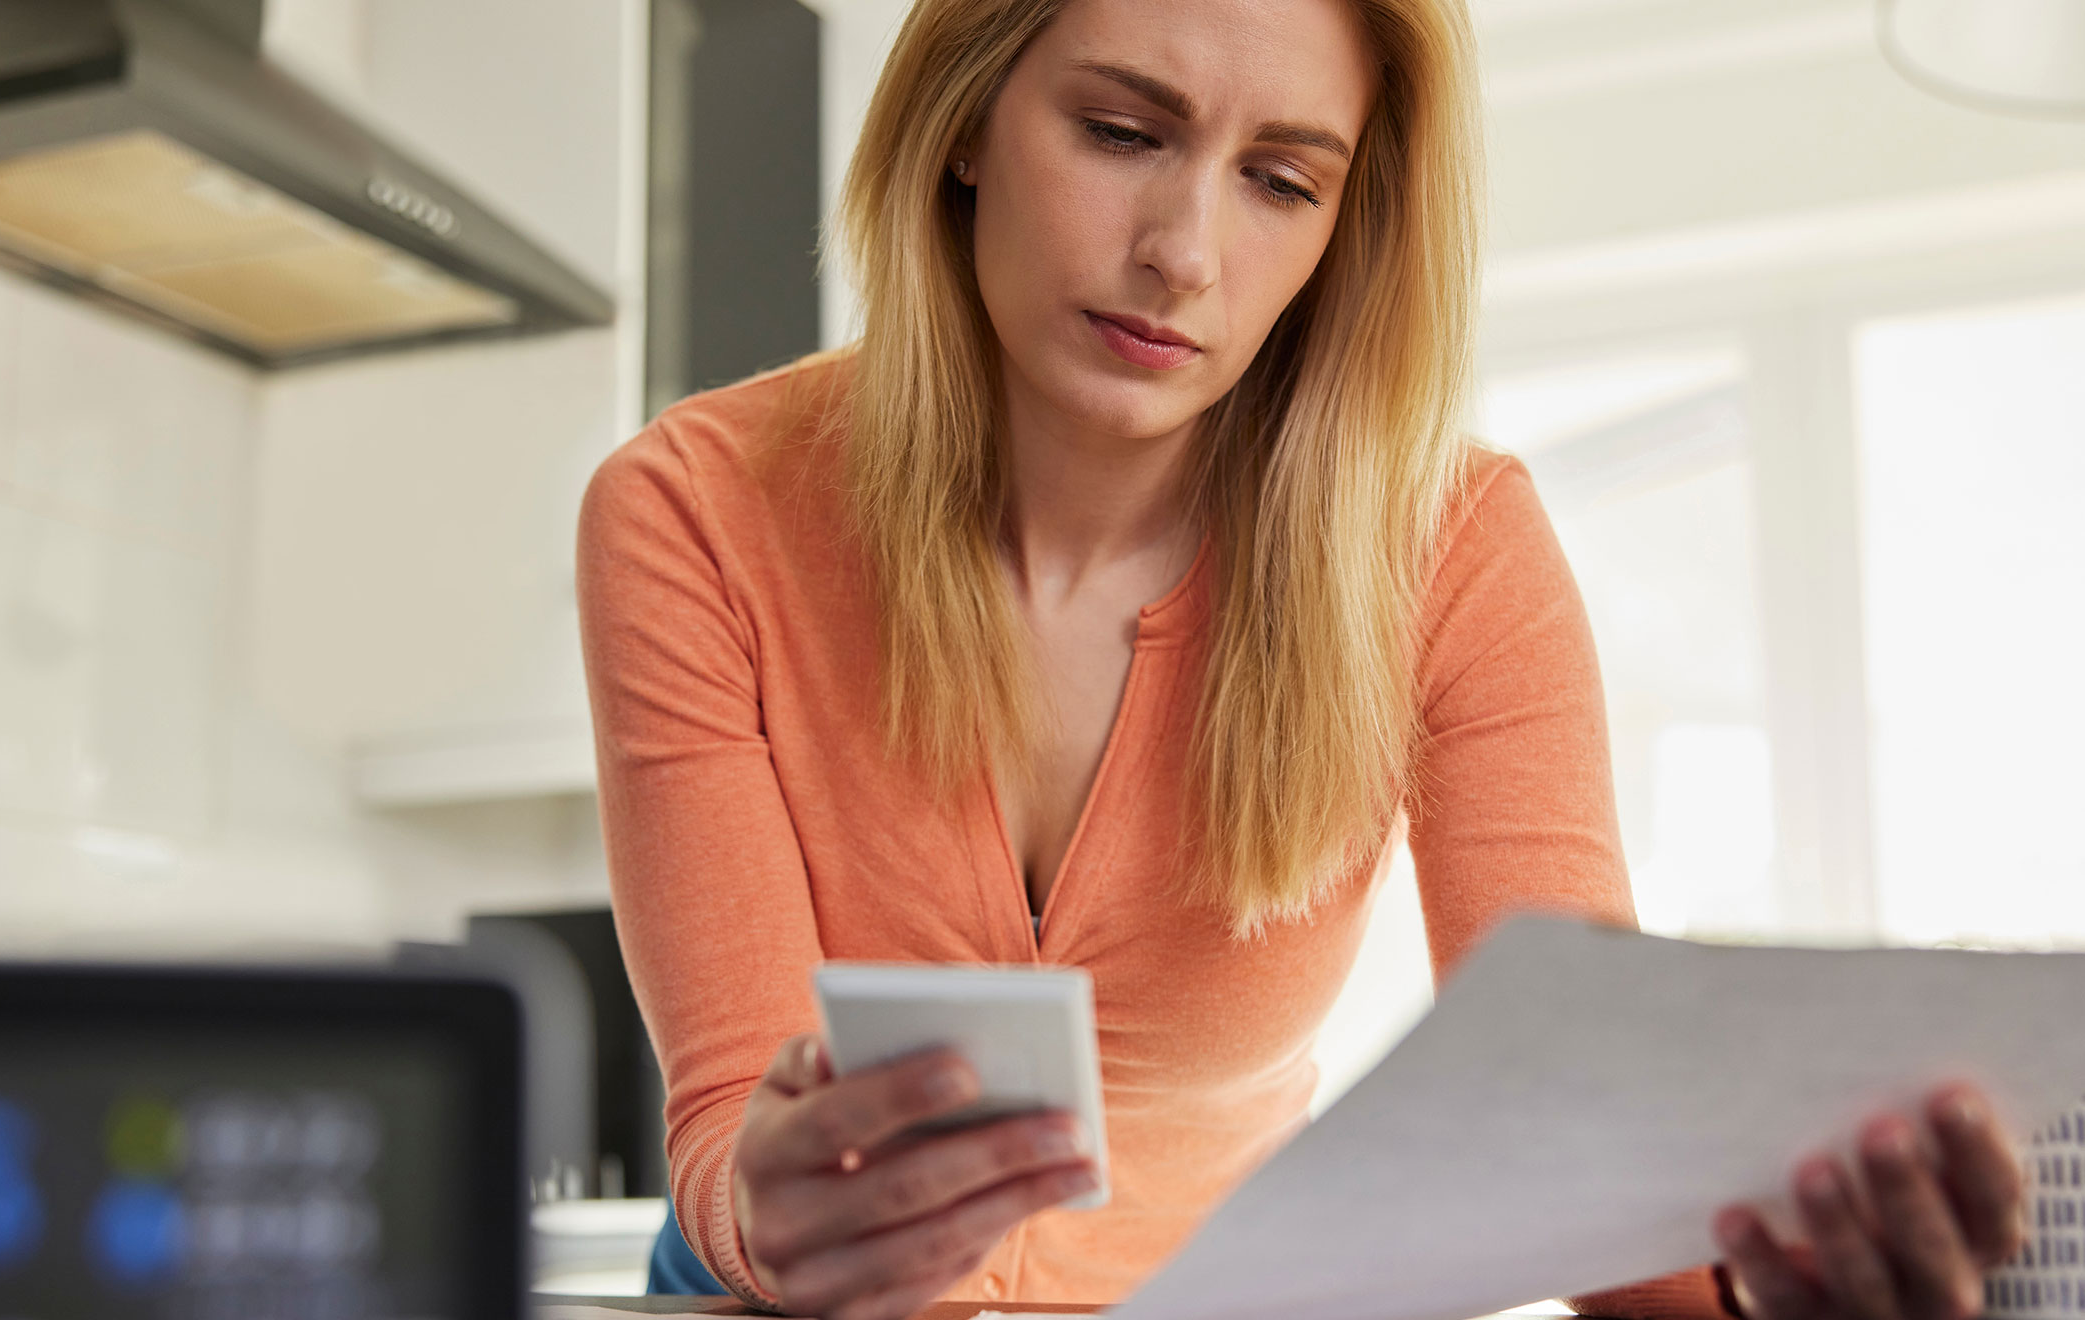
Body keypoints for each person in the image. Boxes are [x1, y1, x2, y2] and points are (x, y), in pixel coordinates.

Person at [576, 1, 2029, 1318]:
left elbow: (1582, 1154)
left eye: (1281, 181)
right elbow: (724, 1120)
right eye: (1121, 132)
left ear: (1347, 223)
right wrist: (781, 1214)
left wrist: (1780, 1292)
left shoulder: (1452, 550)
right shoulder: (694, 510)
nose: (1184, 254)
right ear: (962, 123)